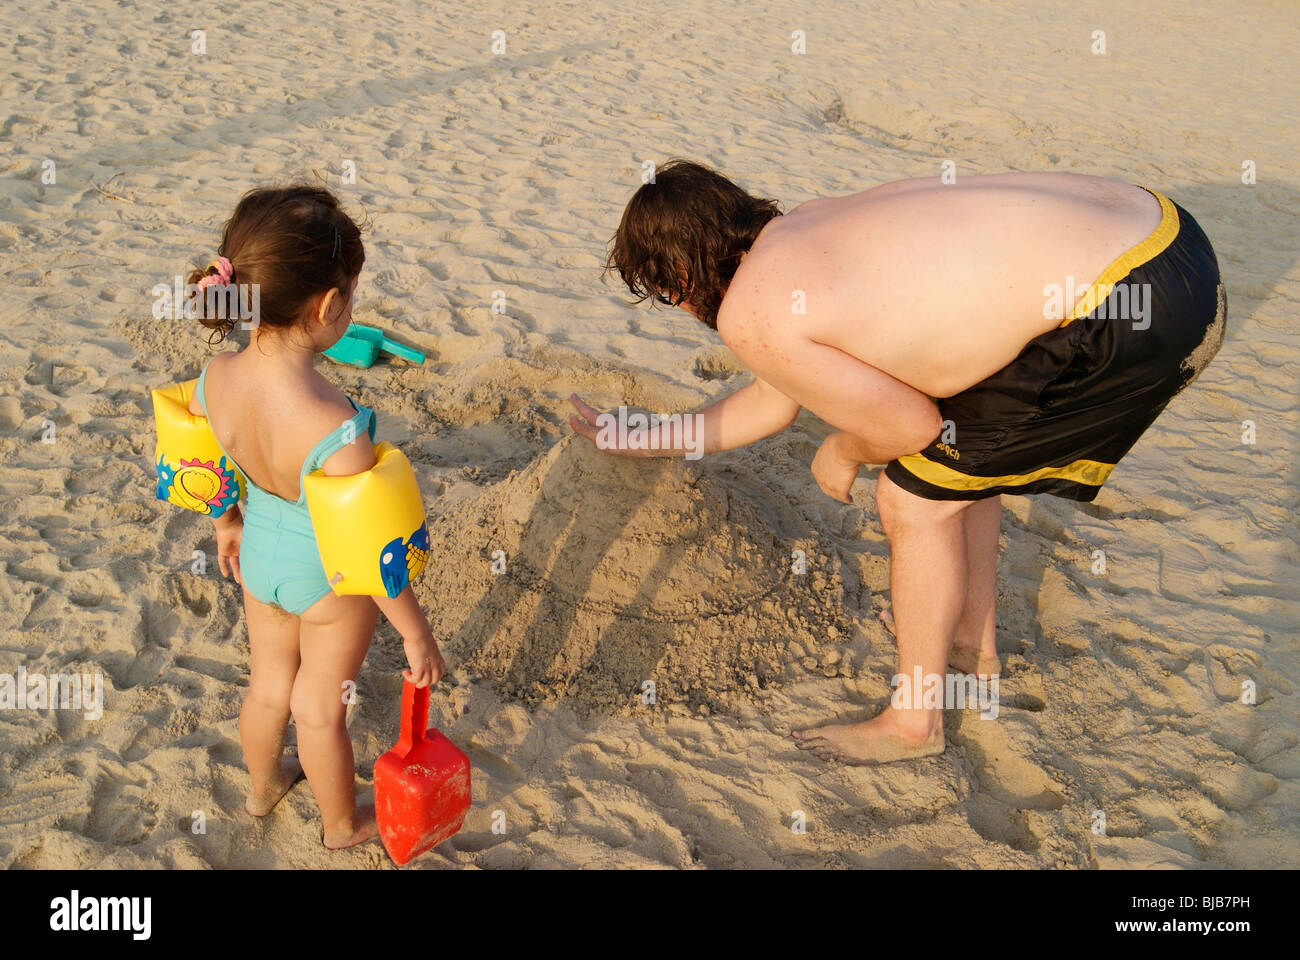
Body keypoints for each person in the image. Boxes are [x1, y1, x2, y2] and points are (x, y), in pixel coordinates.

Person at [571, 160, 1225, 764]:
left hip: (1129, 308)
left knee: (911, 495)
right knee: (963, 457)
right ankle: (972, 648)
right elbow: (769, 404)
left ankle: (914, 725)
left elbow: (908, 425)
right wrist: (637, 436)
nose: (683, 310)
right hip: (1172, 240)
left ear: (677, 277)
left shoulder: (753, 309)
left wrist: (842, 450)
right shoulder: (801, 230)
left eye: (665, 294)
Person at [174, 185, 445, 843]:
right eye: (351, 294)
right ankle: (339, 825)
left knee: (269, 689)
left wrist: (226, 523)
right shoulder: (338, 427)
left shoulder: (215, 376)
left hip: (259, 559)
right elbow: (369, 548)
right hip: (325, 579)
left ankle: (264, 788)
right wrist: (414, 633)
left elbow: (202, 461)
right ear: (328, 306)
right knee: (320, 711)